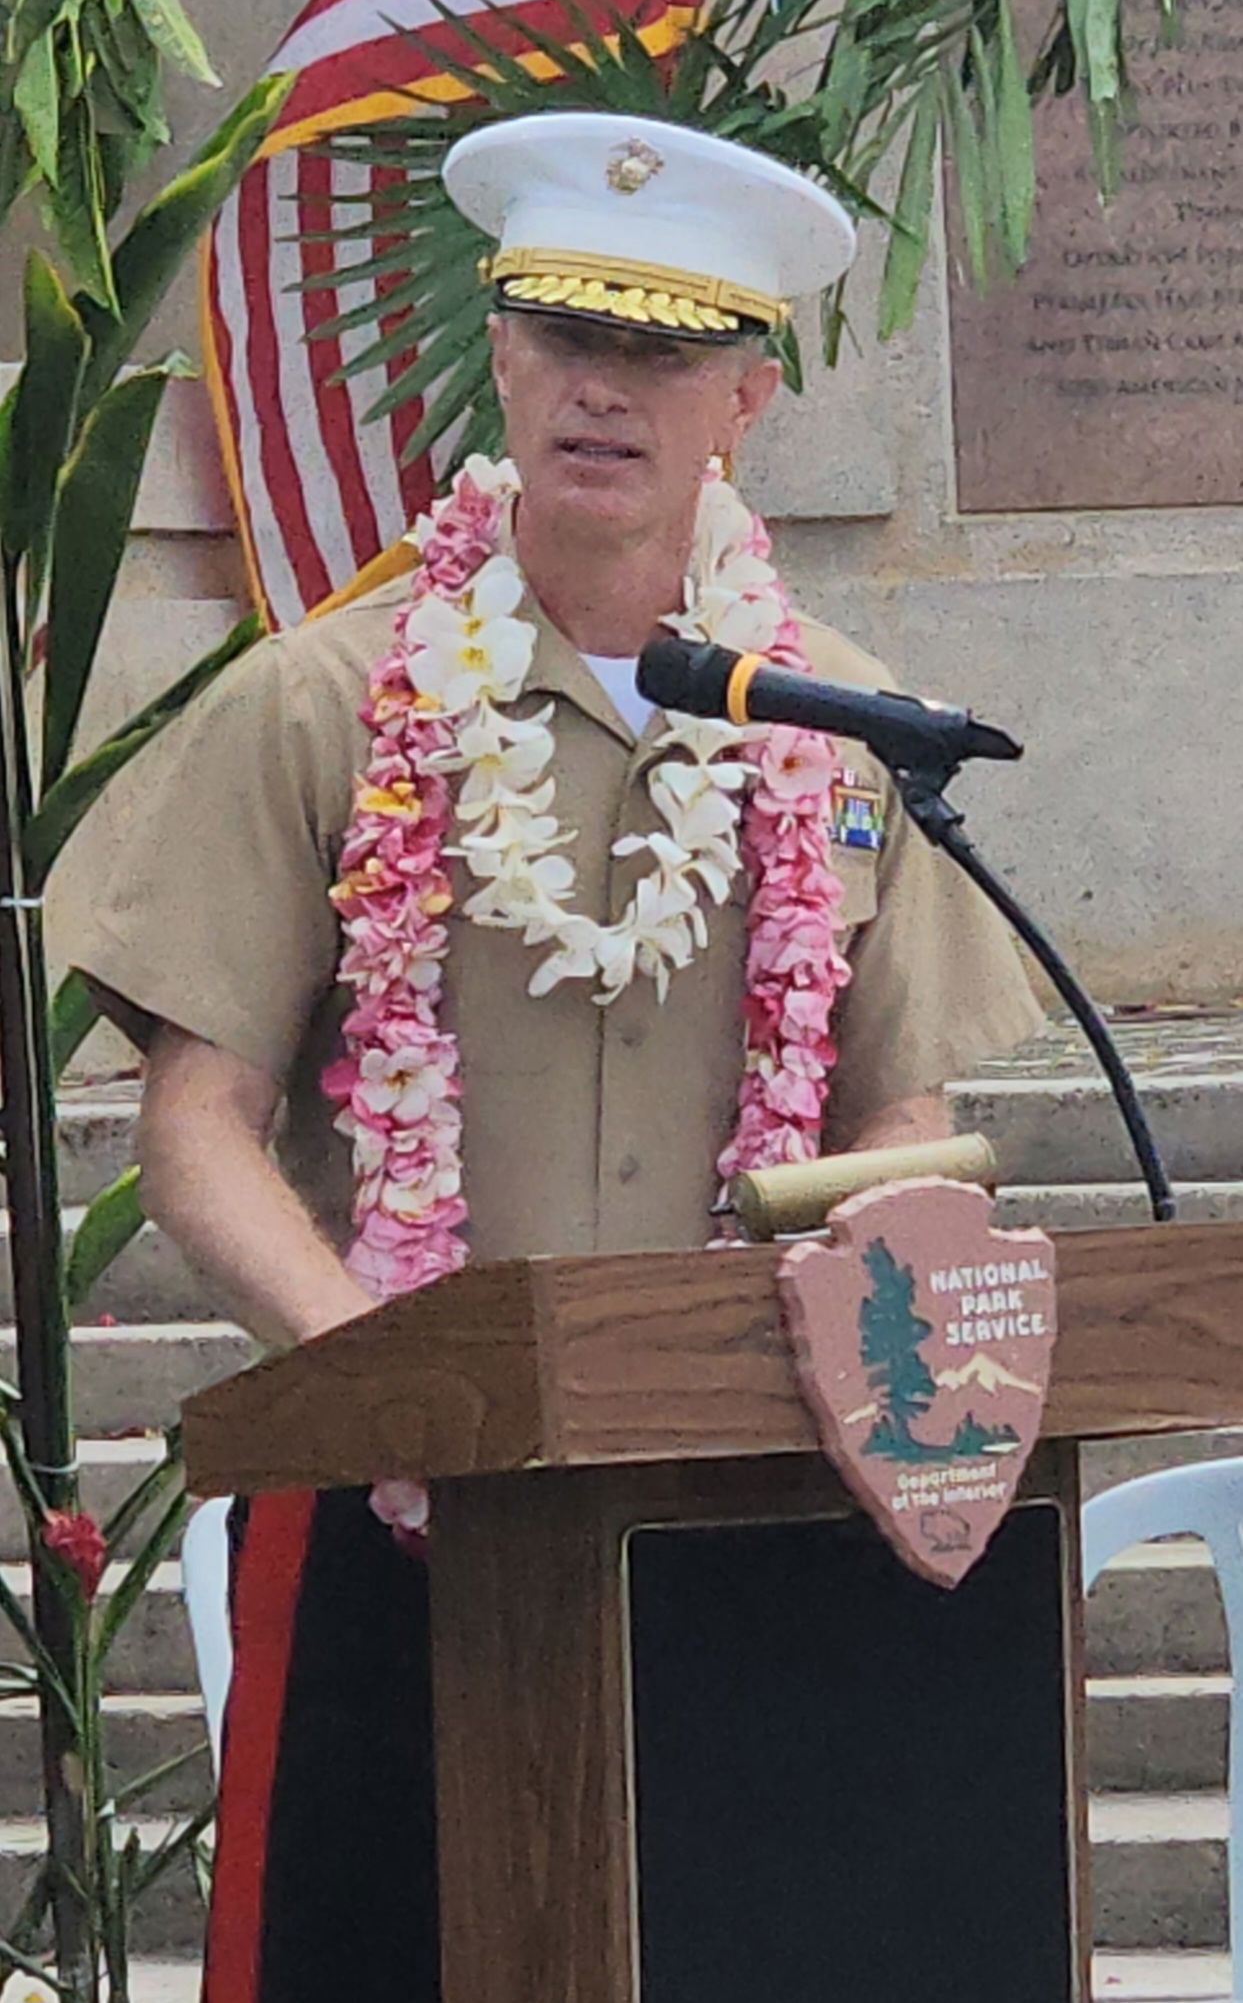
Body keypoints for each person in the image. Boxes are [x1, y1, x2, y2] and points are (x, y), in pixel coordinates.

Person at [75, 112, 1043, 2001]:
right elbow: (195, 1128)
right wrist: (413, 1388)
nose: (605, 386)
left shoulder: (845, 736)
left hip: (738, 1514)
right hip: (386, 1508)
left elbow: (902, 1135)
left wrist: (921, 1385)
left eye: (664, 348)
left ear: (746, 396)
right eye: (563, 333)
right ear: (503, 355)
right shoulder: (328, 703)